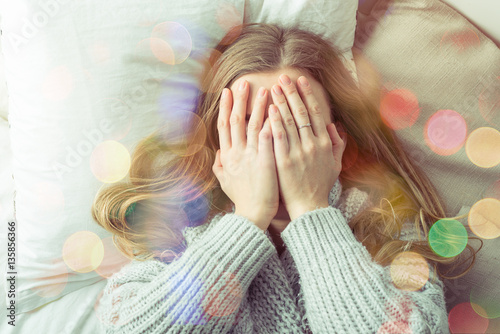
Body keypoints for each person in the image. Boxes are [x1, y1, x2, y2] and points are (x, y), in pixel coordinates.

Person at [92, 23, 472, 333]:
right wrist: (247, 219)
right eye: (248, 125)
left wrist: (312, 212)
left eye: (296, 123)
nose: (272, 144)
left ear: (336, 138)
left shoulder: (387, 230)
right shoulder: (174, 234)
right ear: (215, 138)